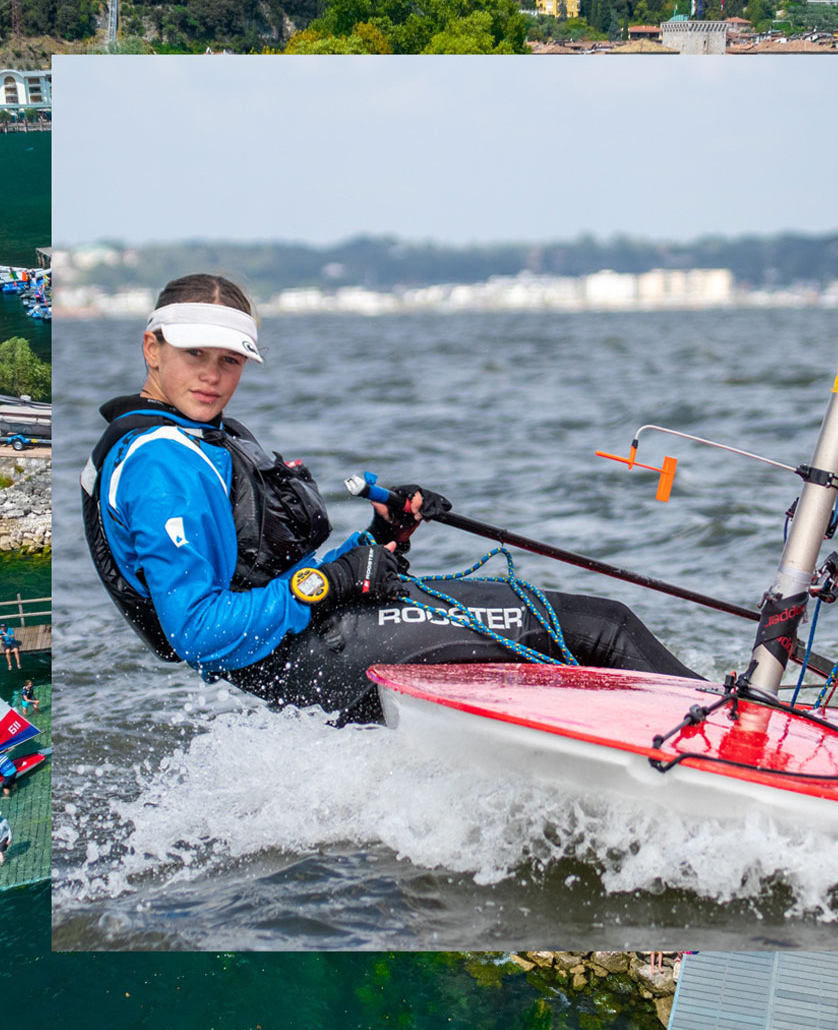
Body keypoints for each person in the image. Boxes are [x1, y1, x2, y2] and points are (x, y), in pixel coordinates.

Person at [82, 274, 698, 725]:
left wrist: (378, 539)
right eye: (194, 356)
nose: (212, 376)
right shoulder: (162, 463)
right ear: (151, 347)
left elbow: (261, 572)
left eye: (229, 361)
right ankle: (757, 740)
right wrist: (332, 582)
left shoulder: (202, 437)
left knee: (552, 660)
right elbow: (196, 632)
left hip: (306, 645)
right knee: (602, 628)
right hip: (307, 653)